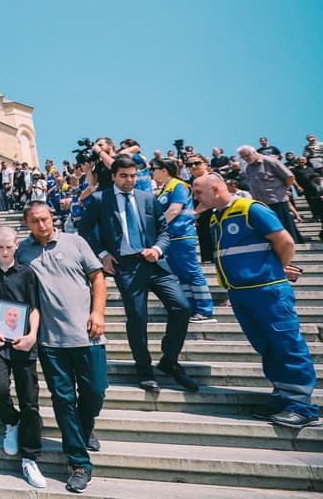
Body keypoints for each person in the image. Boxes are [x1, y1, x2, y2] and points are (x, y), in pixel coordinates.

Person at [193, 174, 319, 428]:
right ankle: (283, 398)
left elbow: (284, 240)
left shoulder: (250, 208)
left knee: (286, 344)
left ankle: (303, 407)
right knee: (267, 346)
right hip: (241, 292)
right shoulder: (216, 217)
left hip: (267, 290)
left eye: (198, 192)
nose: (195, 198)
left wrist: (276, 269)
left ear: (215, 189)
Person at [77, 155, 195, 393]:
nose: (129, 180)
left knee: (182, 307)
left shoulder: (148, 198)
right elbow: (84, 230)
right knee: (138, 318)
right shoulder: (100, 199)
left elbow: (163, 230)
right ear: (113, 176)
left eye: (132, 176)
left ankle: (169, 360)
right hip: (126, 266)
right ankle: (145, 370)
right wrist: (102, 254)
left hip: (155, 263)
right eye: (123, 176)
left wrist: (158, 249)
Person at [16, 202, 107, 494]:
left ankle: (84, 428)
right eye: (35, 221)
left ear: (52, 218)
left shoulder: (75, 241)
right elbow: (16, 292)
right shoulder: (23, 253)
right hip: (50, 341)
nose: (42, 225)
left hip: (87, 334)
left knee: (95, 390)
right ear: (27, 224)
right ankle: (80, 463)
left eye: (45, 219)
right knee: (63, 400)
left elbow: (97, 278)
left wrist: (98, 313)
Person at [0, 225, 45, 488]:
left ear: (16, 245)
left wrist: (33, 334)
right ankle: (11, 421)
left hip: (23, 341)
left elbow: (34, 308)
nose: (4, 251)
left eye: (9, 246)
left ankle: (30, 457)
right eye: (0, 246)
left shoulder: (27, 273)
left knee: (30, 399)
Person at [150, 158, 215, 323]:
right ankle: (191, 308)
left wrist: (155, 227)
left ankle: (205, 310)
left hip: (182, 236)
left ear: (164, 170)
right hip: (170, 238)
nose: (152, 172)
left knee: (192, 272)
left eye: (154, 168)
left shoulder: (179, 186)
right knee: (181, 275)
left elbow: (174, 210)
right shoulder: (164, 189)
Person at [238, 145, 302, 243]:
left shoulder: (270, 161)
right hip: (261, 203)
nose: (245, 159)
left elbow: (289, 177)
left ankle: (294, 246)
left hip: (276, 200)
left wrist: (284, 190)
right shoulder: (249, 168)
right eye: (242, 157)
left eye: (246, 156)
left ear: (254, 153)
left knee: (285, 225)